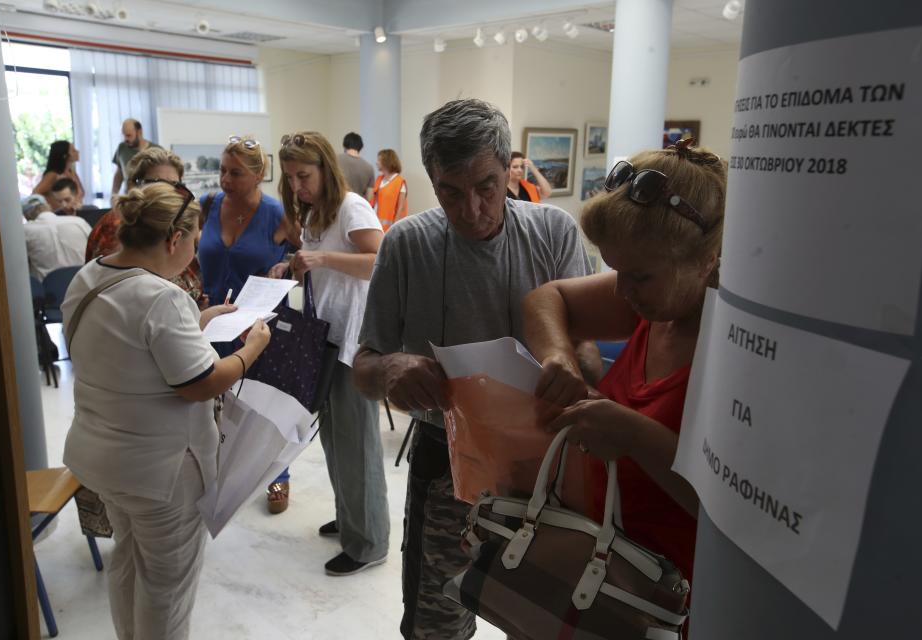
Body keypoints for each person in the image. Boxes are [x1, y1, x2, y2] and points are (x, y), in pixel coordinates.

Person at [352, 98, 593, 640]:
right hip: (447, 463)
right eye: (450, 193)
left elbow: (589, 352)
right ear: (432, 182)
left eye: (486, 186)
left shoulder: (553, 232)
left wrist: (568, 362)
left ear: (508, 167)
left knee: (543, 618)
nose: (472, 208)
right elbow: (362, 367)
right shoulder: (406, 245)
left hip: (547, 463)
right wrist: (391, 367)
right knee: (436, 623)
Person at [61, 181, 271, 639]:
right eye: (194, 240)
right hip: (160, 474)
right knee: (167, 587)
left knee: (129, 560)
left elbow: (132, 349)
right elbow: (202, 384)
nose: (194, 251)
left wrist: (200, 322)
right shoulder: (162, 296)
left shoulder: (90, 276)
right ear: (175, 239)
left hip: (103, 459)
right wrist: (251, 347)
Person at [523, 139, 726, 588]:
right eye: (616, 272)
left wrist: (633, 433)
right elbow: (547, 297)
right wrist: (559, 354)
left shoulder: (734, 349)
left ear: (705, 261)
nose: (621, 292)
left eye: (638, 277)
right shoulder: (652, 304)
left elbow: (730, 505)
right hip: (592, 564)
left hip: (662, 595)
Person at [267, 131, 390, 575]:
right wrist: (295, 266)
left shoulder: (351, 206)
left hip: (355, 341)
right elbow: (324, 270)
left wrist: (321, 261)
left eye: (304, 175)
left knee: (357, 443)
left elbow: (379, 260)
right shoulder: (314, 213)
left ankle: (369, 541)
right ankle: (352, 518)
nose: (297, 185)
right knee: (337, 439)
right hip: (327, 337)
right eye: (291, 178)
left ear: (324, 168)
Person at [197, 135, 294, 340]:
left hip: (256, 330)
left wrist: (287, 267)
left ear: (258, 175)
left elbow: (309, 256)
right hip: (208, 323)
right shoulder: (207, 205)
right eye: (222, 170)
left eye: (236, 173)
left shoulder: (277, 214)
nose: (225, 180)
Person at [87, 147, 205, 305]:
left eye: (175, 185)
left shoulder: (177, 223)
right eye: (158, 184)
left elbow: (190, 276)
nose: (168, 191)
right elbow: (118, 295)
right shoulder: (117, 226)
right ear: (134, 186)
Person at [22, 194, 91, 280]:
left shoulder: (25, 230)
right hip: (85, 283)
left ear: (26, 216)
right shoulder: (79, 222)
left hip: (50, 288)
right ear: (48, 207)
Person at [112, 118, 161, 195]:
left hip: (151, 199)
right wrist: (113, 196)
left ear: (139, 132)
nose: (125, 139)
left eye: (129, 135)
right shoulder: (121, 148)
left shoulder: (157, 150)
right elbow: (119, 174)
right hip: (130, 200)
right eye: (124, 135)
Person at [33, 140, 85, 206]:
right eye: (73, 151)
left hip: (75, 211)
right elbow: (36, 193)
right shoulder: (53, 174)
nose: (78, 152)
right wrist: (55, 204)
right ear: (65, 155)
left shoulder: (72, 172)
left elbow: (81, 193)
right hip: (60, 214)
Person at [369, 148, 408, 232]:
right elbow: (373, 202)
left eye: (379, 160)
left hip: (391, 229)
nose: (376, 162)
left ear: (387, 161)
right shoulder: (379, 179)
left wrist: (394, 228)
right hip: (376, 225)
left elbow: (400, 208)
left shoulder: (399, 181)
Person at [337, 131, 376, 201]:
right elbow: (369, 197)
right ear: (360, 147)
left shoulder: (335, 160)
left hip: (337, 205)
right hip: (357, 208)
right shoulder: (369, 168)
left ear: (344, 145)